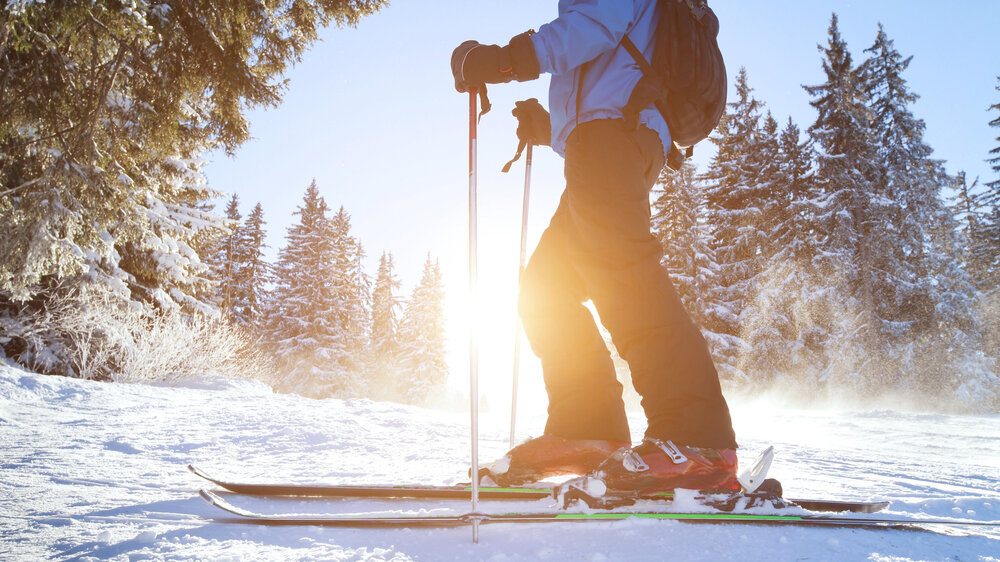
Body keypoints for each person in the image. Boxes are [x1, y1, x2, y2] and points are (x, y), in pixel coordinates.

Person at [451, 0, 739, 496]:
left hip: (612, 139)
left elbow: (594, 27)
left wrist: (504, 61)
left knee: (623, 274)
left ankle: (697, 441)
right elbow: (612, 67)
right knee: (546, 288)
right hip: (609, 139)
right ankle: (588, 428)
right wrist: (552, 128)